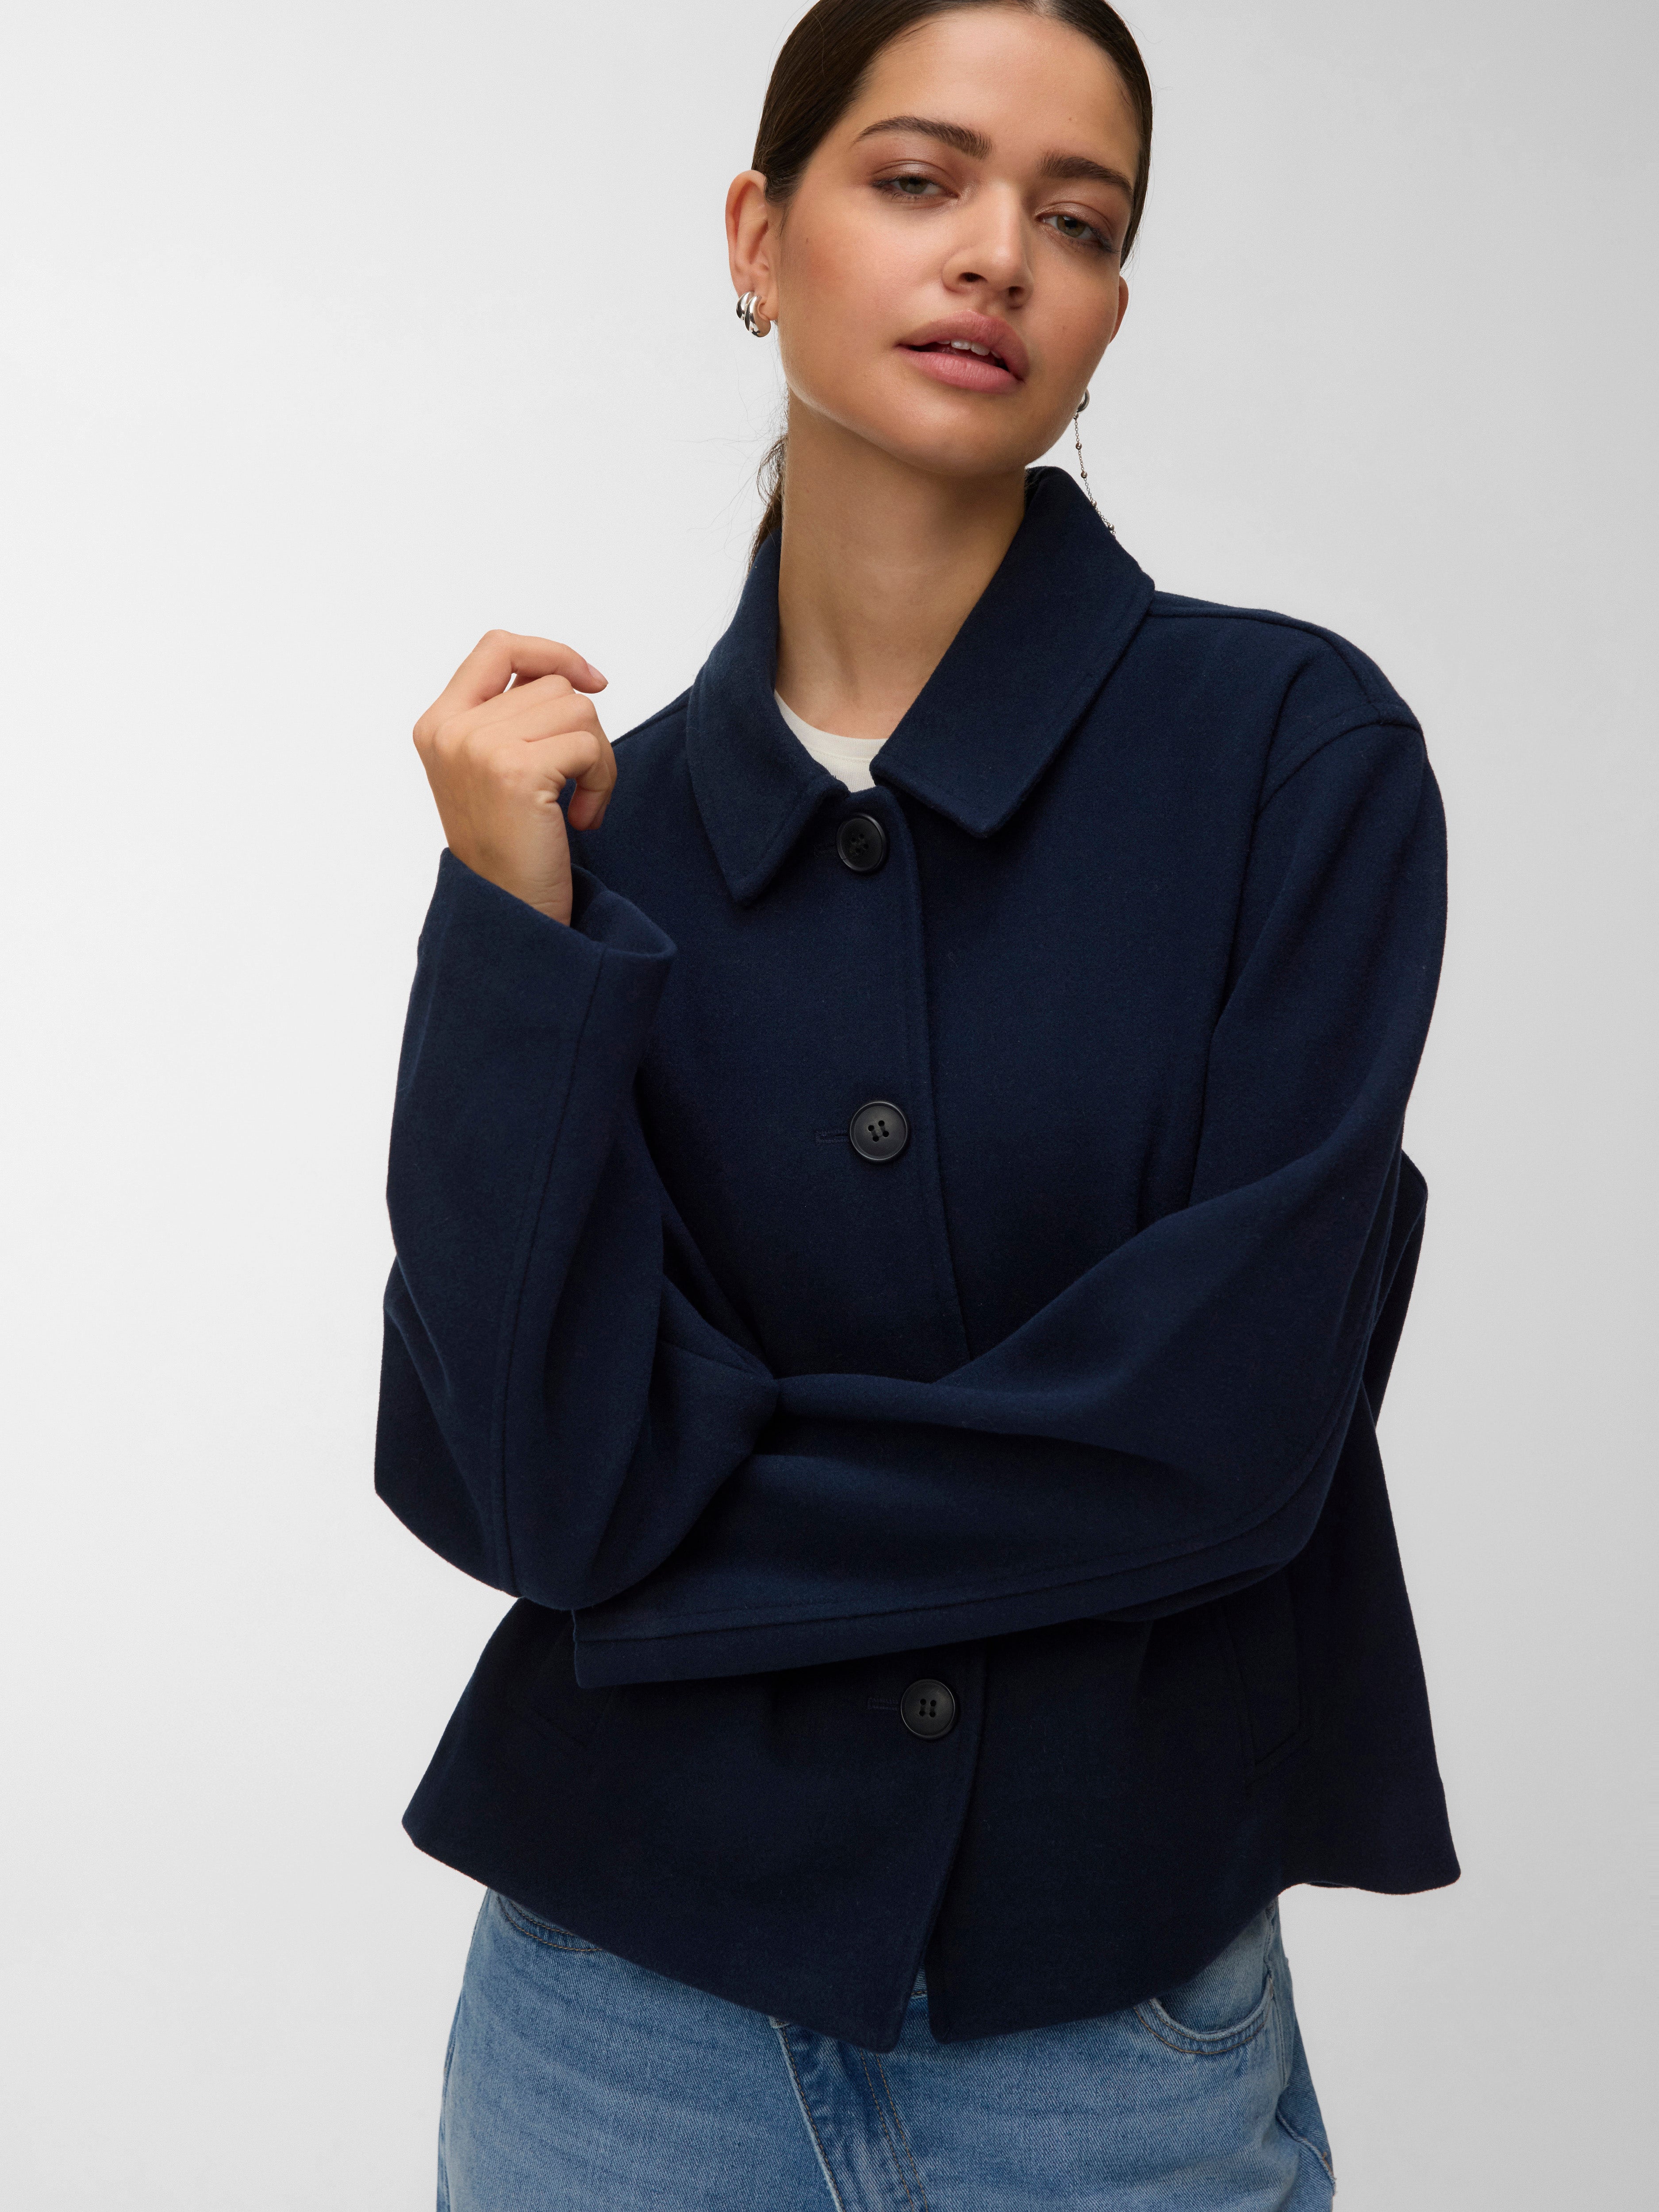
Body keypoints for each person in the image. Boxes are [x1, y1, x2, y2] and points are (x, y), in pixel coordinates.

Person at [377, 1, 1458, 2203]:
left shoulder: (1289, 757)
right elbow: (507, 1479)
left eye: (1078, 220)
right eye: (915, 180)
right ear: (755, 237)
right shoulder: (587, 840)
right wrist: (507, 937)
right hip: (608, 2030)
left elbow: (1216, 1439)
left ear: (1109, 311)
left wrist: (657, 1556)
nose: (996, 255)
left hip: (1103, 2039)